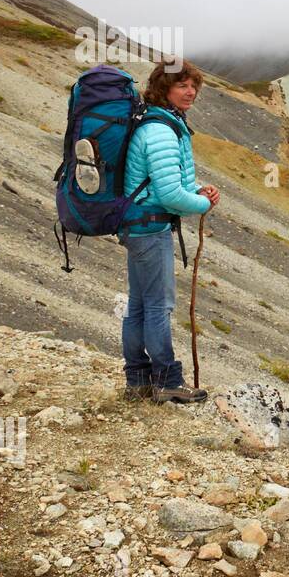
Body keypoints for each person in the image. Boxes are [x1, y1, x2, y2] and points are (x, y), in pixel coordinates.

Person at [119, 59, 221, 404]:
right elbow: (168, 194)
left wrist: (197, 191)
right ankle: (166, 381)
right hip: (150, 227)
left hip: (138, 224)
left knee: (139, 305)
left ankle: (138, 381)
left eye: (194, 86)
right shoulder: (161, 130)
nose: (190, 92)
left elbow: (172, 182)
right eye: (182, 85)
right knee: (158, 306)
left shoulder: (160, 123)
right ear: (164, 89)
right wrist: (203, 205)